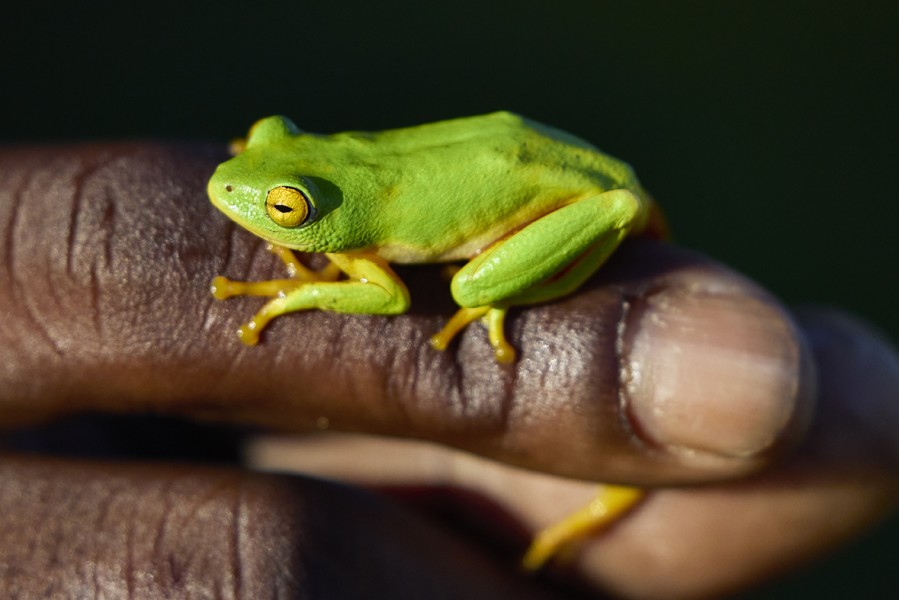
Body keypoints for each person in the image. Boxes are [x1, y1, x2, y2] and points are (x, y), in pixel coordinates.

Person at [0, 143, 896, 599]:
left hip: (579, 193)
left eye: (279, 207)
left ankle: (492, 291)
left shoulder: (371, 252)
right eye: (257, 160)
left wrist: (295, 294)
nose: (239, 199)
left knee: (467, 281)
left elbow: (388, 300)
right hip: (516, 150)